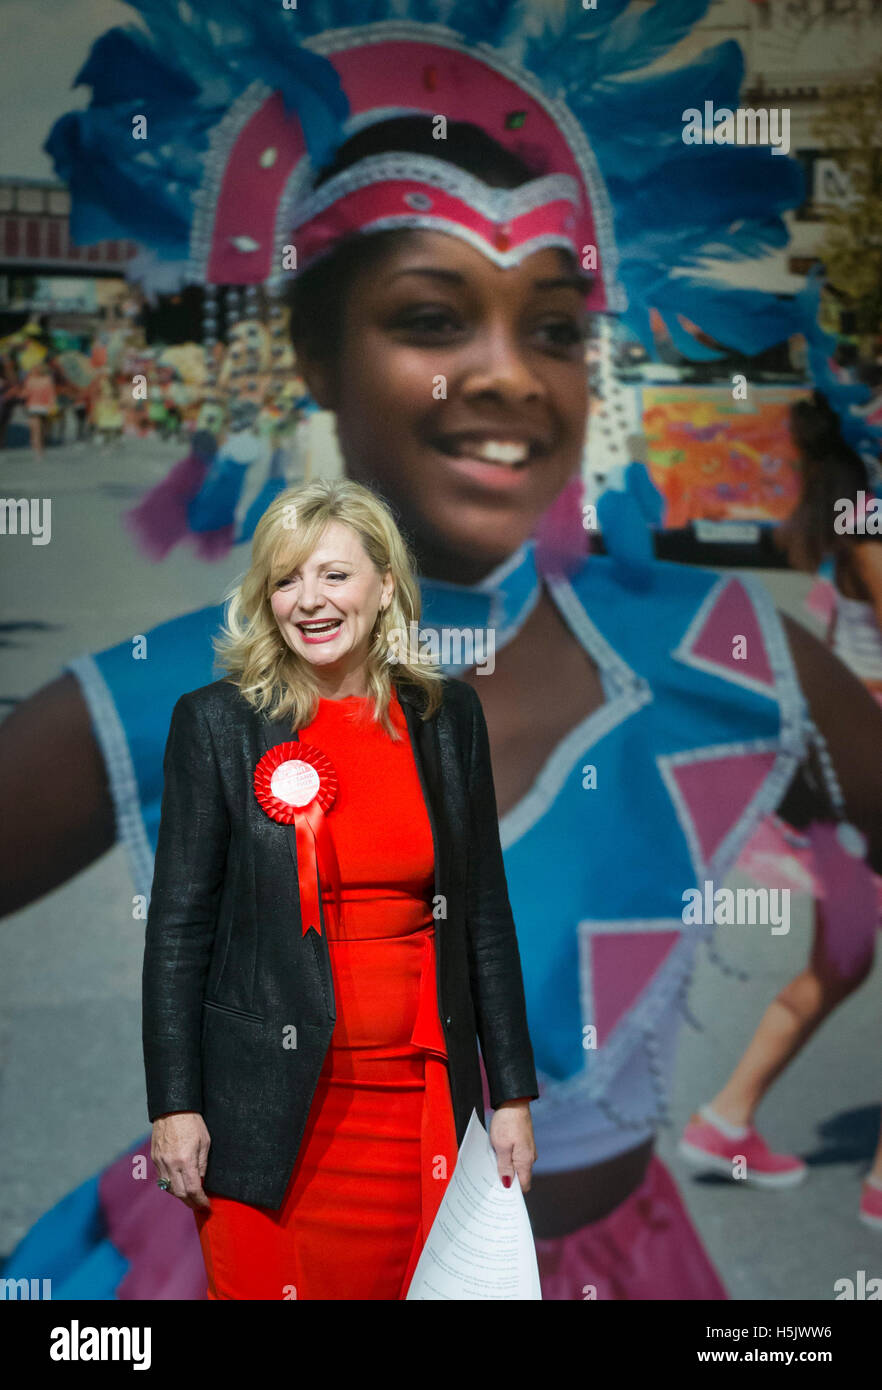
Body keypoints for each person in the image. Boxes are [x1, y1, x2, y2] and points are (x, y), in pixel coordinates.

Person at [5, 0, 882, 1302]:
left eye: (552, 328)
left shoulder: (730, 652)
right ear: (312, 349)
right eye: (429, 318)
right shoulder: (175, 684)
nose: (509, 375)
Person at [145, 477, 538, 1299]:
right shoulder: (216, 723)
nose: (309, 601)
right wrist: (175, 1105)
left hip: (418, 1103)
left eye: (333, 575)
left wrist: (511, 1095)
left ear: (385, 586)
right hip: (263, 1116)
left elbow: (486, 920)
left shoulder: (448, 717)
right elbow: (178, 929)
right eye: (285, 580)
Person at [681, 391, 882, 1230]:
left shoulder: (854, 504)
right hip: (867, 765)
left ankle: (724, 1119)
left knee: (841, 965)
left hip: (846, 768)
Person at [21, 358, 57, 458]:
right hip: (43, 407)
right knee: (41, 430)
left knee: (36, 430)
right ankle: (40, 449)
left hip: (33, 407)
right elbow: (51, 394)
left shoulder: (30, 380)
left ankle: (37, 450)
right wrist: (51, 405)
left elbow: (25, 394)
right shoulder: (47, 379)